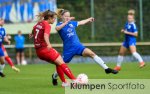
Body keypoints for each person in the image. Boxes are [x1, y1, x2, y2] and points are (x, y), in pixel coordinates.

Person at [51, 9, 118, 86]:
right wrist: (66, 22)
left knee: (91, 53)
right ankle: (54, 76)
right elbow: (57, 29)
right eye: (66, 16)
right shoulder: (59, 24)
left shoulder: (71, 23)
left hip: (78, 46)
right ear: (62, 16)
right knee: (61, 66)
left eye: (69, 16)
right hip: (68, 50)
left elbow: (81, 22)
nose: (68, 18)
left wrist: (88, 19)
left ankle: (106, 68)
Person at [29, 10, 78, 87]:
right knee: (62, 63)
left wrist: (32, 33)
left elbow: (34, 28)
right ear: (49, 18)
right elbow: (45, 36)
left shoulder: (39, 23)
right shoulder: (47, 25)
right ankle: (75, 81)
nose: (54, 20)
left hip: (39, 52)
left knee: (58, 63)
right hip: (45, 49)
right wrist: (48, 44)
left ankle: (64, 82)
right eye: (54, 18)